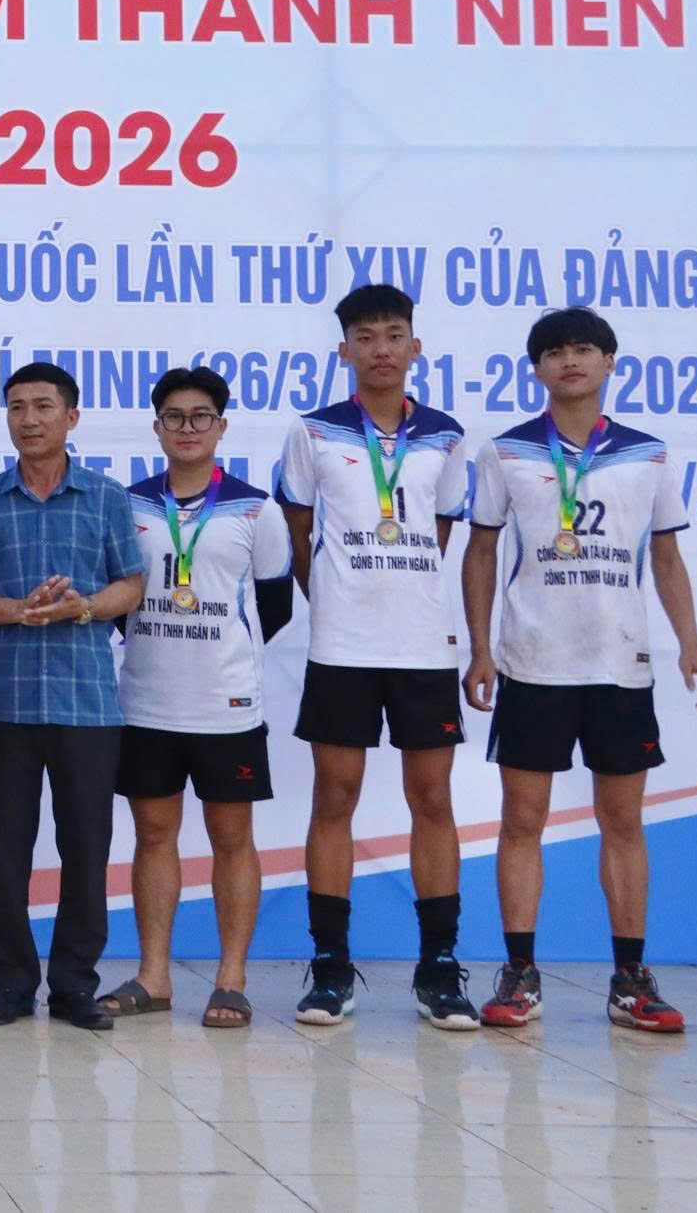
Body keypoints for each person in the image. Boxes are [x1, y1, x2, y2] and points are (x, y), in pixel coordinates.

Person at [464, 308, 697, 1033]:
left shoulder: (649, 455)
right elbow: (480, 551)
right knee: (522, 819)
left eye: (583, 349)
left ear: (610, 362)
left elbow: (666, 556)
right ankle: (520, 973)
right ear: (537, 369)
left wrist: (691, 645)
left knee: (623, 820)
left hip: (619, 665)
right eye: (554, 352)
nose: (569, 361)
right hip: (531, 663)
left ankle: (631, 979)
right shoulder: (506, 452)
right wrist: (481, 650)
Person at [276, 284, 476, 1030]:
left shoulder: (446, 436)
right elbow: (298, 533)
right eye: (365, 337)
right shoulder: (313, 432)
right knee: (335, 797)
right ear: (344, 351)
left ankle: (439, 968)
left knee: (434, 799)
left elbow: (440, 533)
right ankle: (331, 967)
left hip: (422, 644)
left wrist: (401, 588)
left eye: (394, 335)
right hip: (343, 645)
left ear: (414, 346)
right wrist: (335, 595)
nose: (381, 349)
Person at [100, 367, 293, 1030]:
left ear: (221, 426)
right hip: (147, 702)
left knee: (232, 838)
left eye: (200, 416)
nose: (188, 428)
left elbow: (274, 607)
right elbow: (116, 600)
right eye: (175, 417)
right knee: (153, 835)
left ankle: (231, 978)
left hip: (226, 705)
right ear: (157, 428)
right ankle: (153, 976)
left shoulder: (256, 509)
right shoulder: (127, 505)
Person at [0, 361, 148, 1031]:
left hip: (87, 703)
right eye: (17, 406)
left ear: (72, 417)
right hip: (5, 702)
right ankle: (11, 985)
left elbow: (132, 584)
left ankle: (74, 986)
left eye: (44, 406)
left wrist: (84, 607)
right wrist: (18, 610)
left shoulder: (106, 497)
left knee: (86, 850)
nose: (30, 419)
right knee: (4, 853)